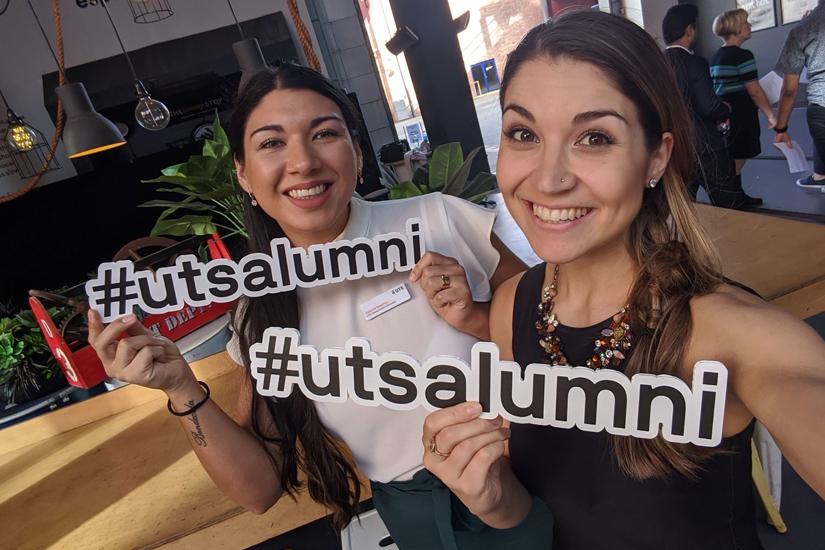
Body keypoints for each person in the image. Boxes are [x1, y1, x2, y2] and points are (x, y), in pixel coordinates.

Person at [86, 63, 553, 549]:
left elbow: (569, 340)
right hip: (419, 516)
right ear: (244, 175)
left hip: (537, 471)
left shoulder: (438, 219)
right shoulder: (261, 309)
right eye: (271, 143)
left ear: (355, 149)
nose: (303, 162)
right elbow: (259, 488)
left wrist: (478, 319)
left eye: (324, 133)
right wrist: (180, 388)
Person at [422, 11, 825, 550]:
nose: (548, 178)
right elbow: (550, 505)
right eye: (523, 133)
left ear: (656, 157)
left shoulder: (733, 334)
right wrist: (493, 500)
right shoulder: (513, 305)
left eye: (594, 137)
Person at [662, 4, 762, 207]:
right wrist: (726, 108)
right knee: (726, 202)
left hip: (674, 148)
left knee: (684, 205)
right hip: (704, 144)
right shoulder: (695, 63)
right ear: (690, 30)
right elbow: (709, 107)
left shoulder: (656, 64)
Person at [710, 9, 777, 182]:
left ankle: (737, 196)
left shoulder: (716, 56)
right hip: (741, 114)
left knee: (733, 157)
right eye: (746, 23)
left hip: (725, 115)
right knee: (739, 158)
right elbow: (754, 90)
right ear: (737, 28)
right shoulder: (743, 56)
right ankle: (734, 198)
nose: (749, 26)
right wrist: (770, 114)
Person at [774, 0, 825, 191]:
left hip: (821, 106)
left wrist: (781, 128)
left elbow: (789, 89)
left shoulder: (802, 29)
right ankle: (820, 176)